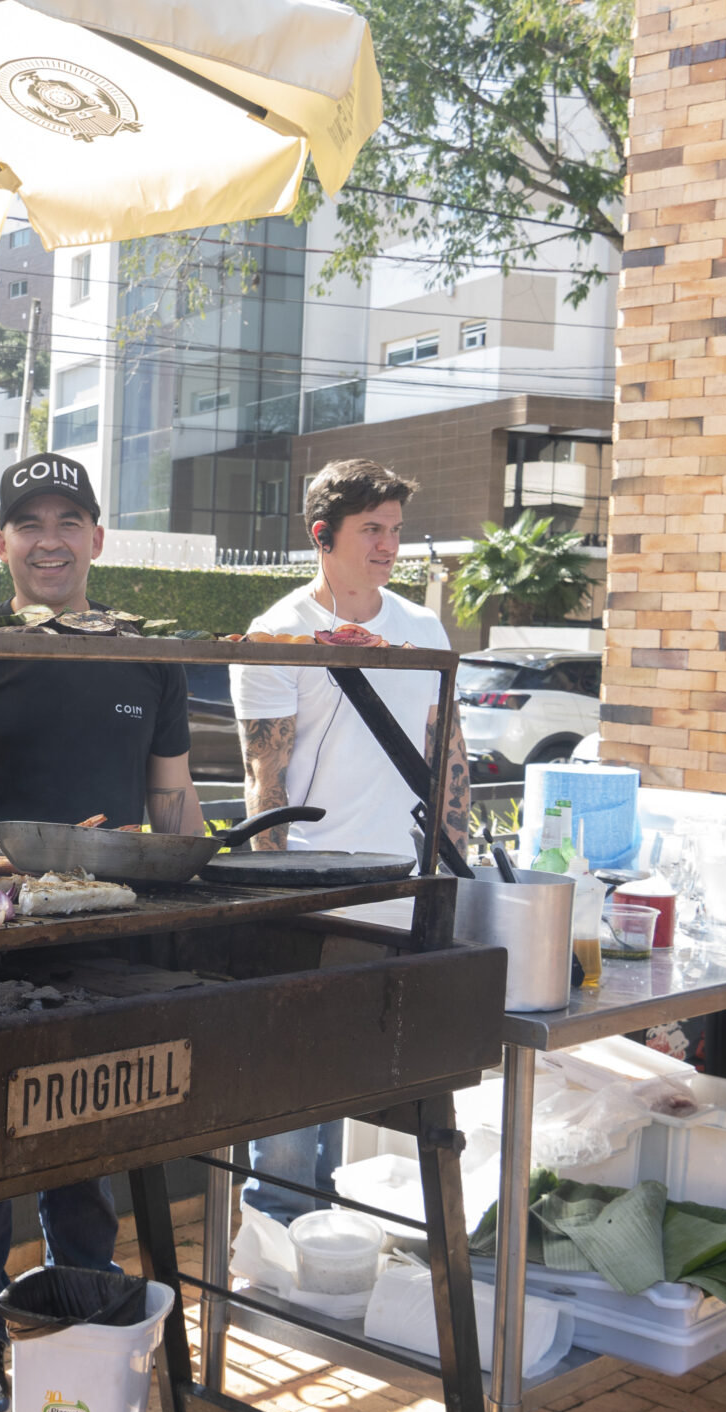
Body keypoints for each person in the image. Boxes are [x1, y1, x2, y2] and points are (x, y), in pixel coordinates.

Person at [0, 452, 205, 1412]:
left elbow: (173, 802)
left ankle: (79, 1324)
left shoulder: (146, 656)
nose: (50, 539)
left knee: (87, 1137)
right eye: (30, 522)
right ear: (1, 544)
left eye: (69, 521)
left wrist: (201, 889)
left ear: (97, 539)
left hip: (107, 941)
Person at [227, 458, 469, 1223]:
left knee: (385, 1090)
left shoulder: (423, 628)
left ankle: (332, 1255)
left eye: (396, 530)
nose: (390, 546)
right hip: (317, 895)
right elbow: (264, 774)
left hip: (405, 892)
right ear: (322, 535)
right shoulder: (276, 631)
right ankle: (274, 1245)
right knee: (295, 1100)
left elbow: (448, 759)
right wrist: (279, 901)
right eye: (373, 530)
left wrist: (448, 878)